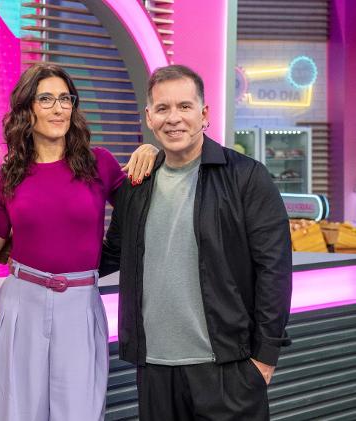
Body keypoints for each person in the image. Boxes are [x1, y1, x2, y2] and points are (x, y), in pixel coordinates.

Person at [100, 64, 292, 420]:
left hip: (228, 369)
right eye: (162, 108)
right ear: (149, 117)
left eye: (184, 107)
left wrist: (264, 358)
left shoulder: (246, 177)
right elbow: (110, 255)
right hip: (155, 369)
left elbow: (274, 270)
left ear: (204, 114)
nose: (173, 118)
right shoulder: (136, 186)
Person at [0, 63, 158, 420]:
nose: (59, 107)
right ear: (26, 109)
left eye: (65, 98)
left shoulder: (100, 164)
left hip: (80, 302)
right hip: (21, 303)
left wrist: (154, 155)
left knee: (79, 411)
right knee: (15, 410)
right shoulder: (6, 177)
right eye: (46, 98)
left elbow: (142, 212)